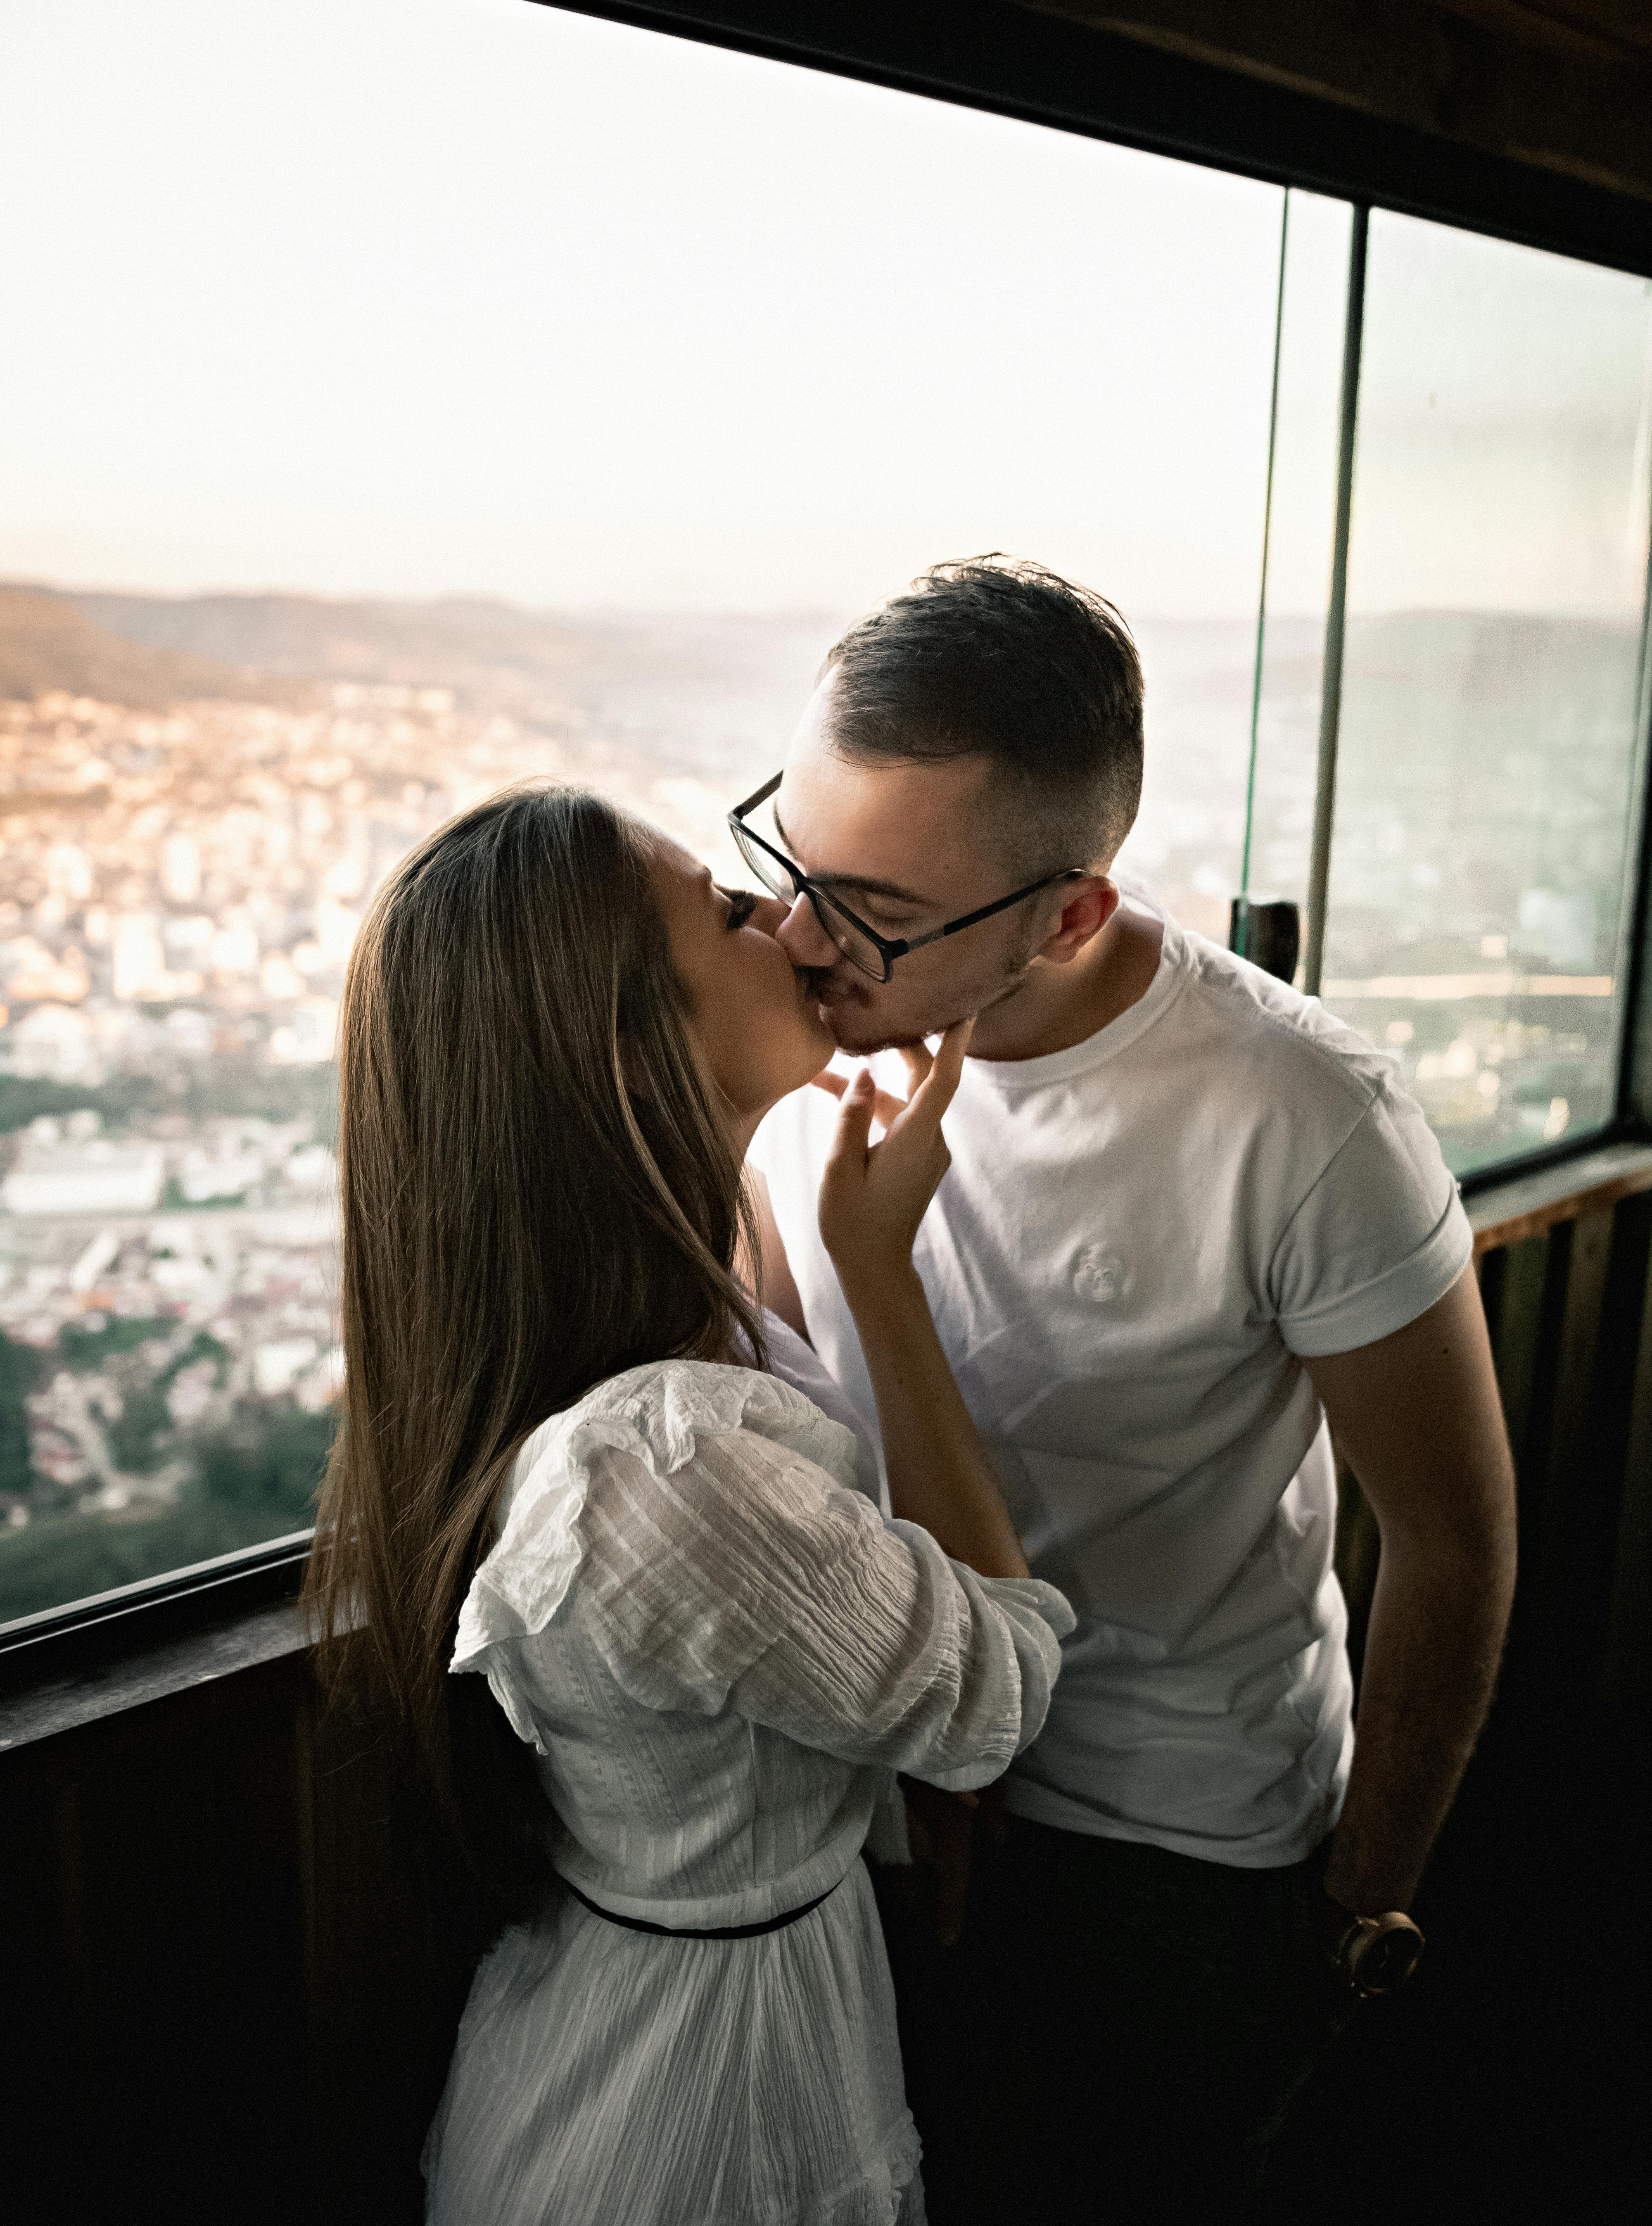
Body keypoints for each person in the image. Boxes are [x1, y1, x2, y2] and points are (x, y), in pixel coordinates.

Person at [738, 556, 1519, 2217]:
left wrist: (1359, 1913)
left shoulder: (1302, 1114)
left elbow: (1449, 1543)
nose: (804, 941)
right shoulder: (785, 1038)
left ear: (1069, 914)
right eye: (791, 863)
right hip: (875, 1795)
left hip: (1174, 1850)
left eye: (873, 911)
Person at [303, 781, 1073, 2226]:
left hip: (636, 2016)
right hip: (699, 2117)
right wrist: (883, 1270)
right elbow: (998, 1696)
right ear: (624, 1043)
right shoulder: (659, 1471)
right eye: (729, 910)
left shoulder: (628, 1336)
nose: (790, 922)